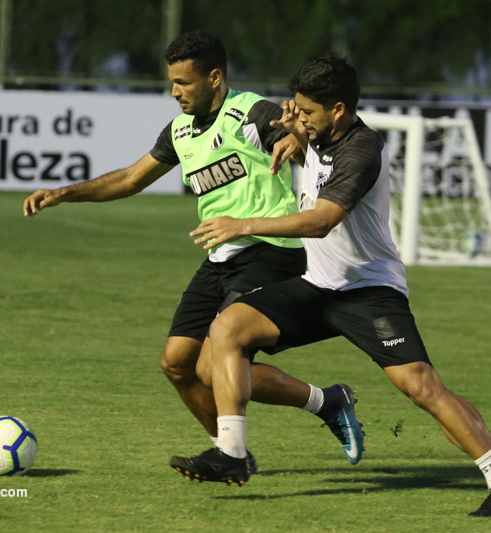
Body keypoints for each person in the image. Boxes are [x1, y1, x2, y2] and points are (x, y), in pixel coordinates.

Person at [170, 55, 491, 517]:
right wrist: (293, 134)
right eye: (296, 108)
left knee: (421, 388)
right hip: (316, 285)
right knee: (227, 330)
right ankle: (233, 455)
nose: (299, 117)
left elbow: (321, 222)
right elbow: (301, 147)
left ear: (338, 109)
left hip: (368, 292)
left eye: (308, 111)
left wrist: (243, 224)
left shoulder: (363, 150)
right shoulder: (316, 130)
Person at [22, 32, 365, 470]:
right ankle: (285, 421)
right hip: (219, 256)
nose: (174, 92)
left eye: (183, 82)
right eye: (172, 82)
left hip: (270, 250)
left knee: (213, 363)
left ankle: (232, 454)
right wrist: (65, 193)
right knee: (177, 364)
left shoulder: (252, 112)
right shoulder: (180, 131)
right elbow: (130, 179)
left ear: (214, 77)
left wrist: (297, 137)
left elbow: (301, 138)